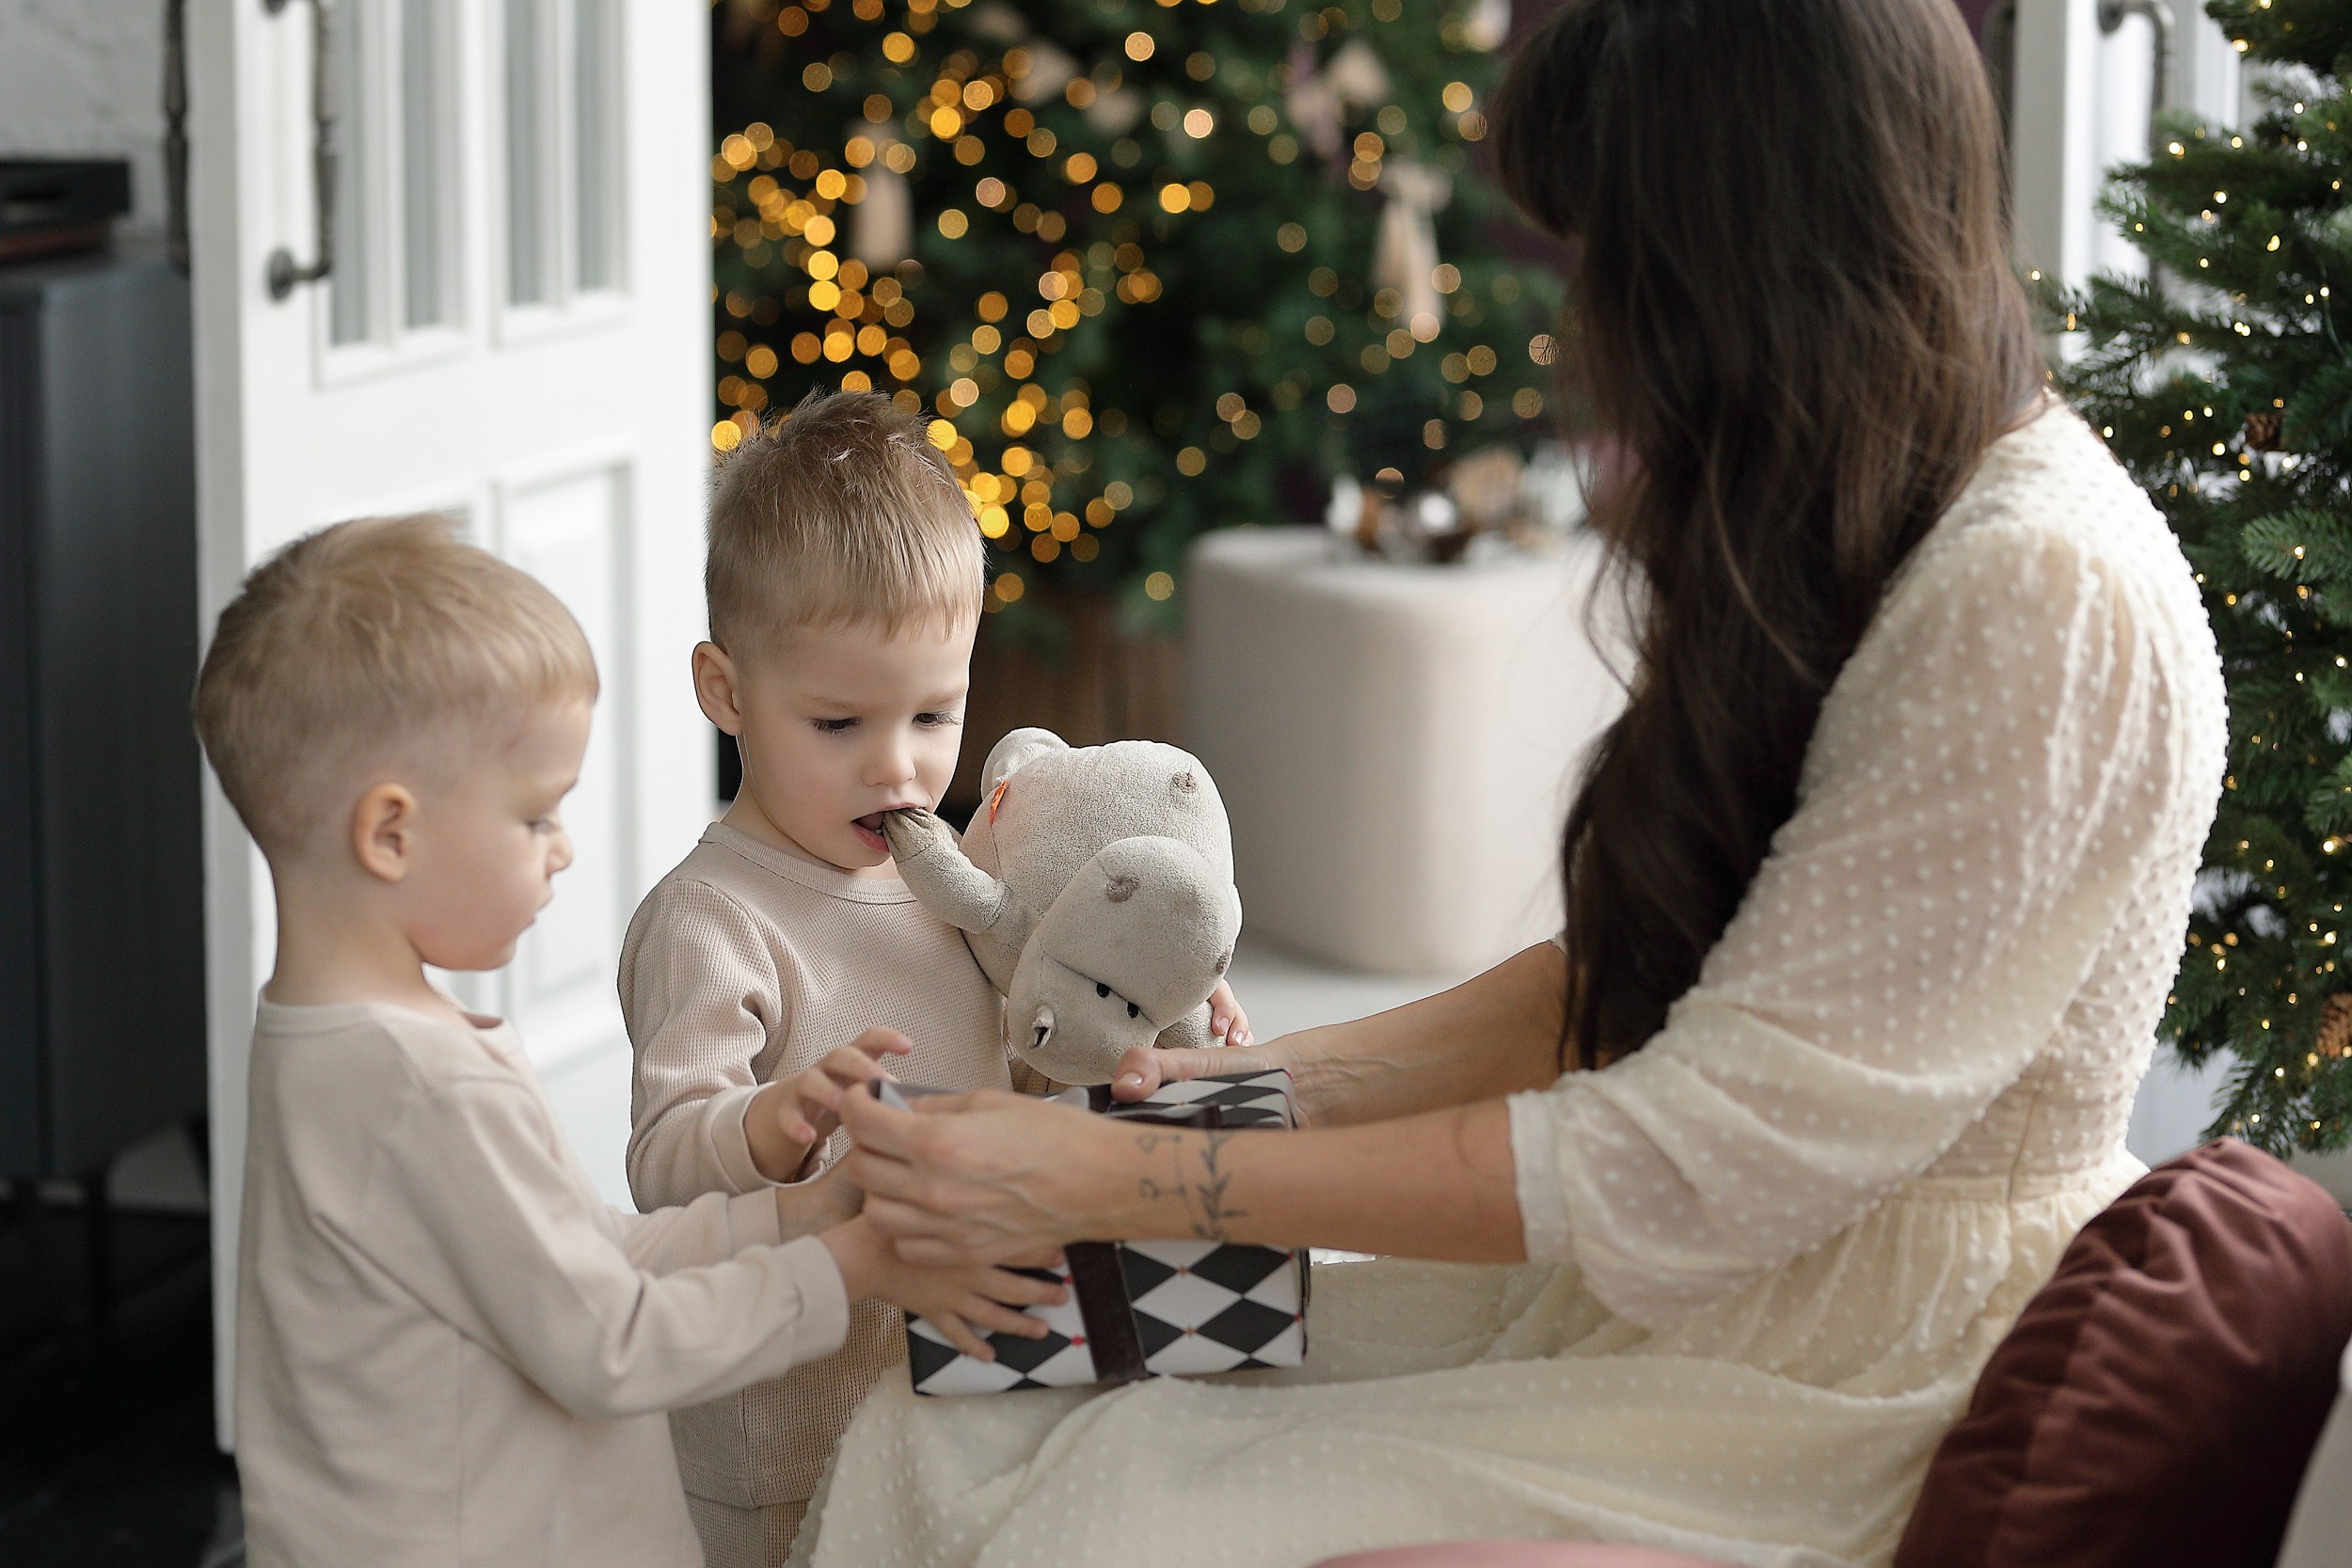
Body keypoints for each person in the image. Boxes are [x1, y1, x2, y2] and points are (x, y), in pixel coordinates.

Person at [810, 2, 2231, 1565]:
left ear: (1744, 256)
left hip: (1832, 1371)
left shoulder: (2035, 595)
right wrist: (1229, 1098)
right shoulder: (1881, 507)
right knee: (975, 1404)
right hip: (1697, 1296)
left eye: (1615, 256)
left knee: (1106, 1506)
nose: (1589, 333)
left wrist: (1123, 1164)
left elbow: (1678, 1161)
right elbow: (1643, 989)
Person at [194, 515, 1065, 1568]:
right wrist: (855, 1262)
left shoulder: (335, 1041)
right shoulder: (418, 1087)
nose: (562, 850)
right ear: (391, 832)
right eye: (534, 815)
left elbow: (595, 1254)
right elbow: (612, 1340)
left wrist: (812, 1206)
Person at [618, 388, 1252, 1564]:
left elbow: (1025, 1062)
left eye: (933, 713)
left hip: (956, 1380)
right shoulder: (708, 919)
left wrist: (1143, 1029)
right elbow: (662, 1164)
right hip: (778, 1432)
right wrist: (769, 1119)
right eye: (837, 722)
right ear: (726, 691)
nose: (897, 765)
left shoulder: (955, 879)